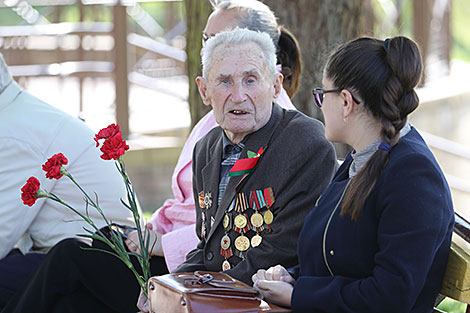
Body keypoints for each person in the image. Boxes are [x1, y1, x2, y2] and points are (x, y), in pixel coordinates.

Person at [2, 28, 336, 313]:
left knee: (72, 265)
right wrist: (161, 287)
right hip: (203, 288)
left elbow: (280, 250)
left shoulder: (302, 141)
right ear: (204, 91)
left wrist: (180, 292)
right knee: (73, 296)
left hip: (252, 297)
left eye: (251, 80)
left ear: (276, 85)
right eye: (224, 82)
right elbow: (209, 245)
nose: (238, 95)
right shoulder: (208, 148)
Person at [252, 36, 454, 313]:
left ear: (346, 102)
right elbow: (341, 254)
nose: (320, 104)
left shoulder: (413, 176)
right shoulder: (366, 155)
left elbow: (389, 297)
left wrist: (298, 294)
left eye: (323, 95)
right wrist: (293, 277)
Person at [144, 0, 302, 272]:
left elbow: (252, 228)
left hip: (225, 270)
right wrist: (145, 231)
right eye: (206, 39)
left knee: (71, 265)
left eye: (220, 39)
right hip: (185, 257)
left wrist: (166, 251)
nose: (209, 48)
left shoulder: (290, 133)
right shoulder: (211, 135)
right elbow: (196, 215)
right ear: (204, 90)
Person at [0, 53, 139, 309]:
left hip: (92, 263)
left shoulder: (14, 131)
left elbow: (2, 233)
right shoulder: (19, 113)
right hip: (59, 253)